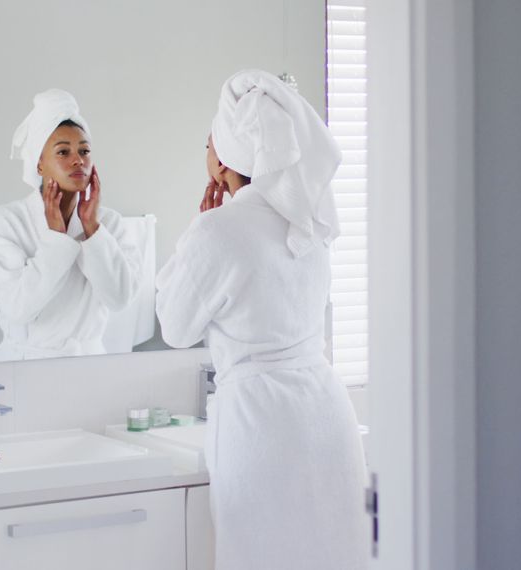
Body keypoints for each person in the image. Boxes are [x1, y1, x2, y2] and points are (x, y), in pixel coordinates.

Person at [156, 70, 369, 569]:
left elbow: (175, 326)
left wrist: (196, 231)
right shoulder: (309, 223)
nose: (205, 149)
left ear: (228, 153)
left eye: (208, 140)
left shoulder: (218, 231)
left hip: (261, 426)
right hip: (326, 416)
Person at [0, 89, 140, 361]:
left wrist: (92, 229)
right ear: (39, 165)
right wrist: (56, 239)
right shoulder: (6, 222)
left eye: (84, 151)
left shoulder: (109, 223)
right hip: (25, 367)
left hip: (88, 365)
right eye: (63, 152)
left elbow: (119, 299)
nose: (78, 159)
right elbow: (18, 307)